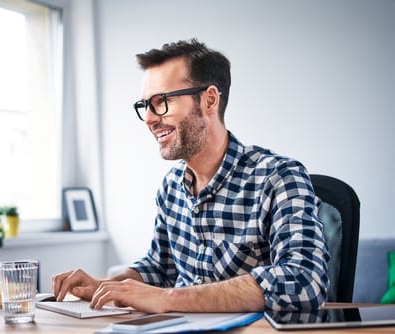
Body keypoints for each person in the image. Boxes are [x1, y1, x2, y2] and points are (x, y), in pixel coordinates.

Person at [52, 38, 329, 313]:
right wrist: (104, 285)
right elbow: (161, 268)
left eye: (161, 102)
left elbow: (305, 281)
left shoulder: (278, 178)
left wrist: (167, 299)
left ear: (209, 100)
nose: (149, 118)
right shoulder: (171, 187)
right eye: (145, 105)